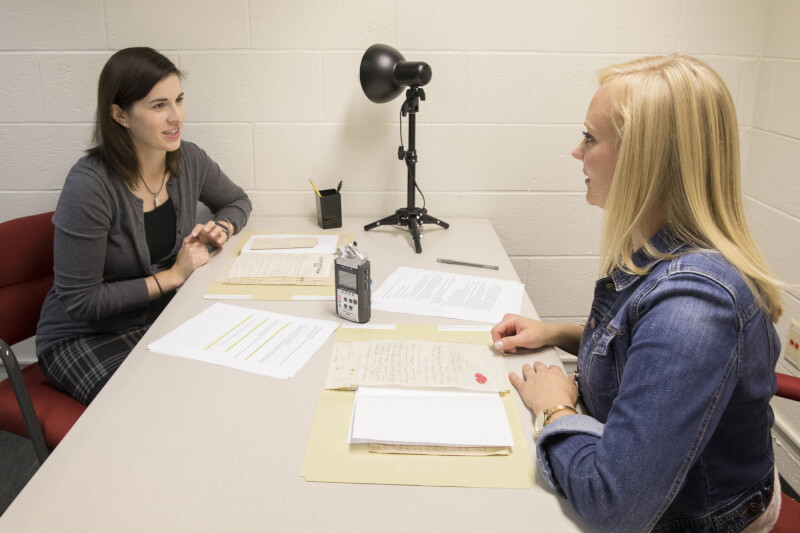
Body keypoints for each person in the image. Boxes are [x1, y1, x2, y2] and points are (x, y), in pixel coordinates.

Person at [492, 54, 783, 532]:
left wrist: (554, 408)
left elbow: (614, 506)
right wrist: (557, 333)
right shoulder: (659, 250)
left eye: (590, 138)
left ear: (643, 159)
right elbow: (639, 346)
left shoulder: (693, 309)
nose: (577, 152)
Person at [36, 47, 252, 405]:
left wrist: (222, 228)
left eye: (179, 100)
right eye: (158, 105)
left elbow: (237, 201)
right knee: (153, 406)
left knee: (222, 383)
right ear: (120, 115)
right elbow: (80, 301)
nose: (176, 116)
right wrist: (173, 276)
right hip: (84, 336)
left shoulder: (189, 159)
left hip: (158, 317)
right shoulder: (89, 186)